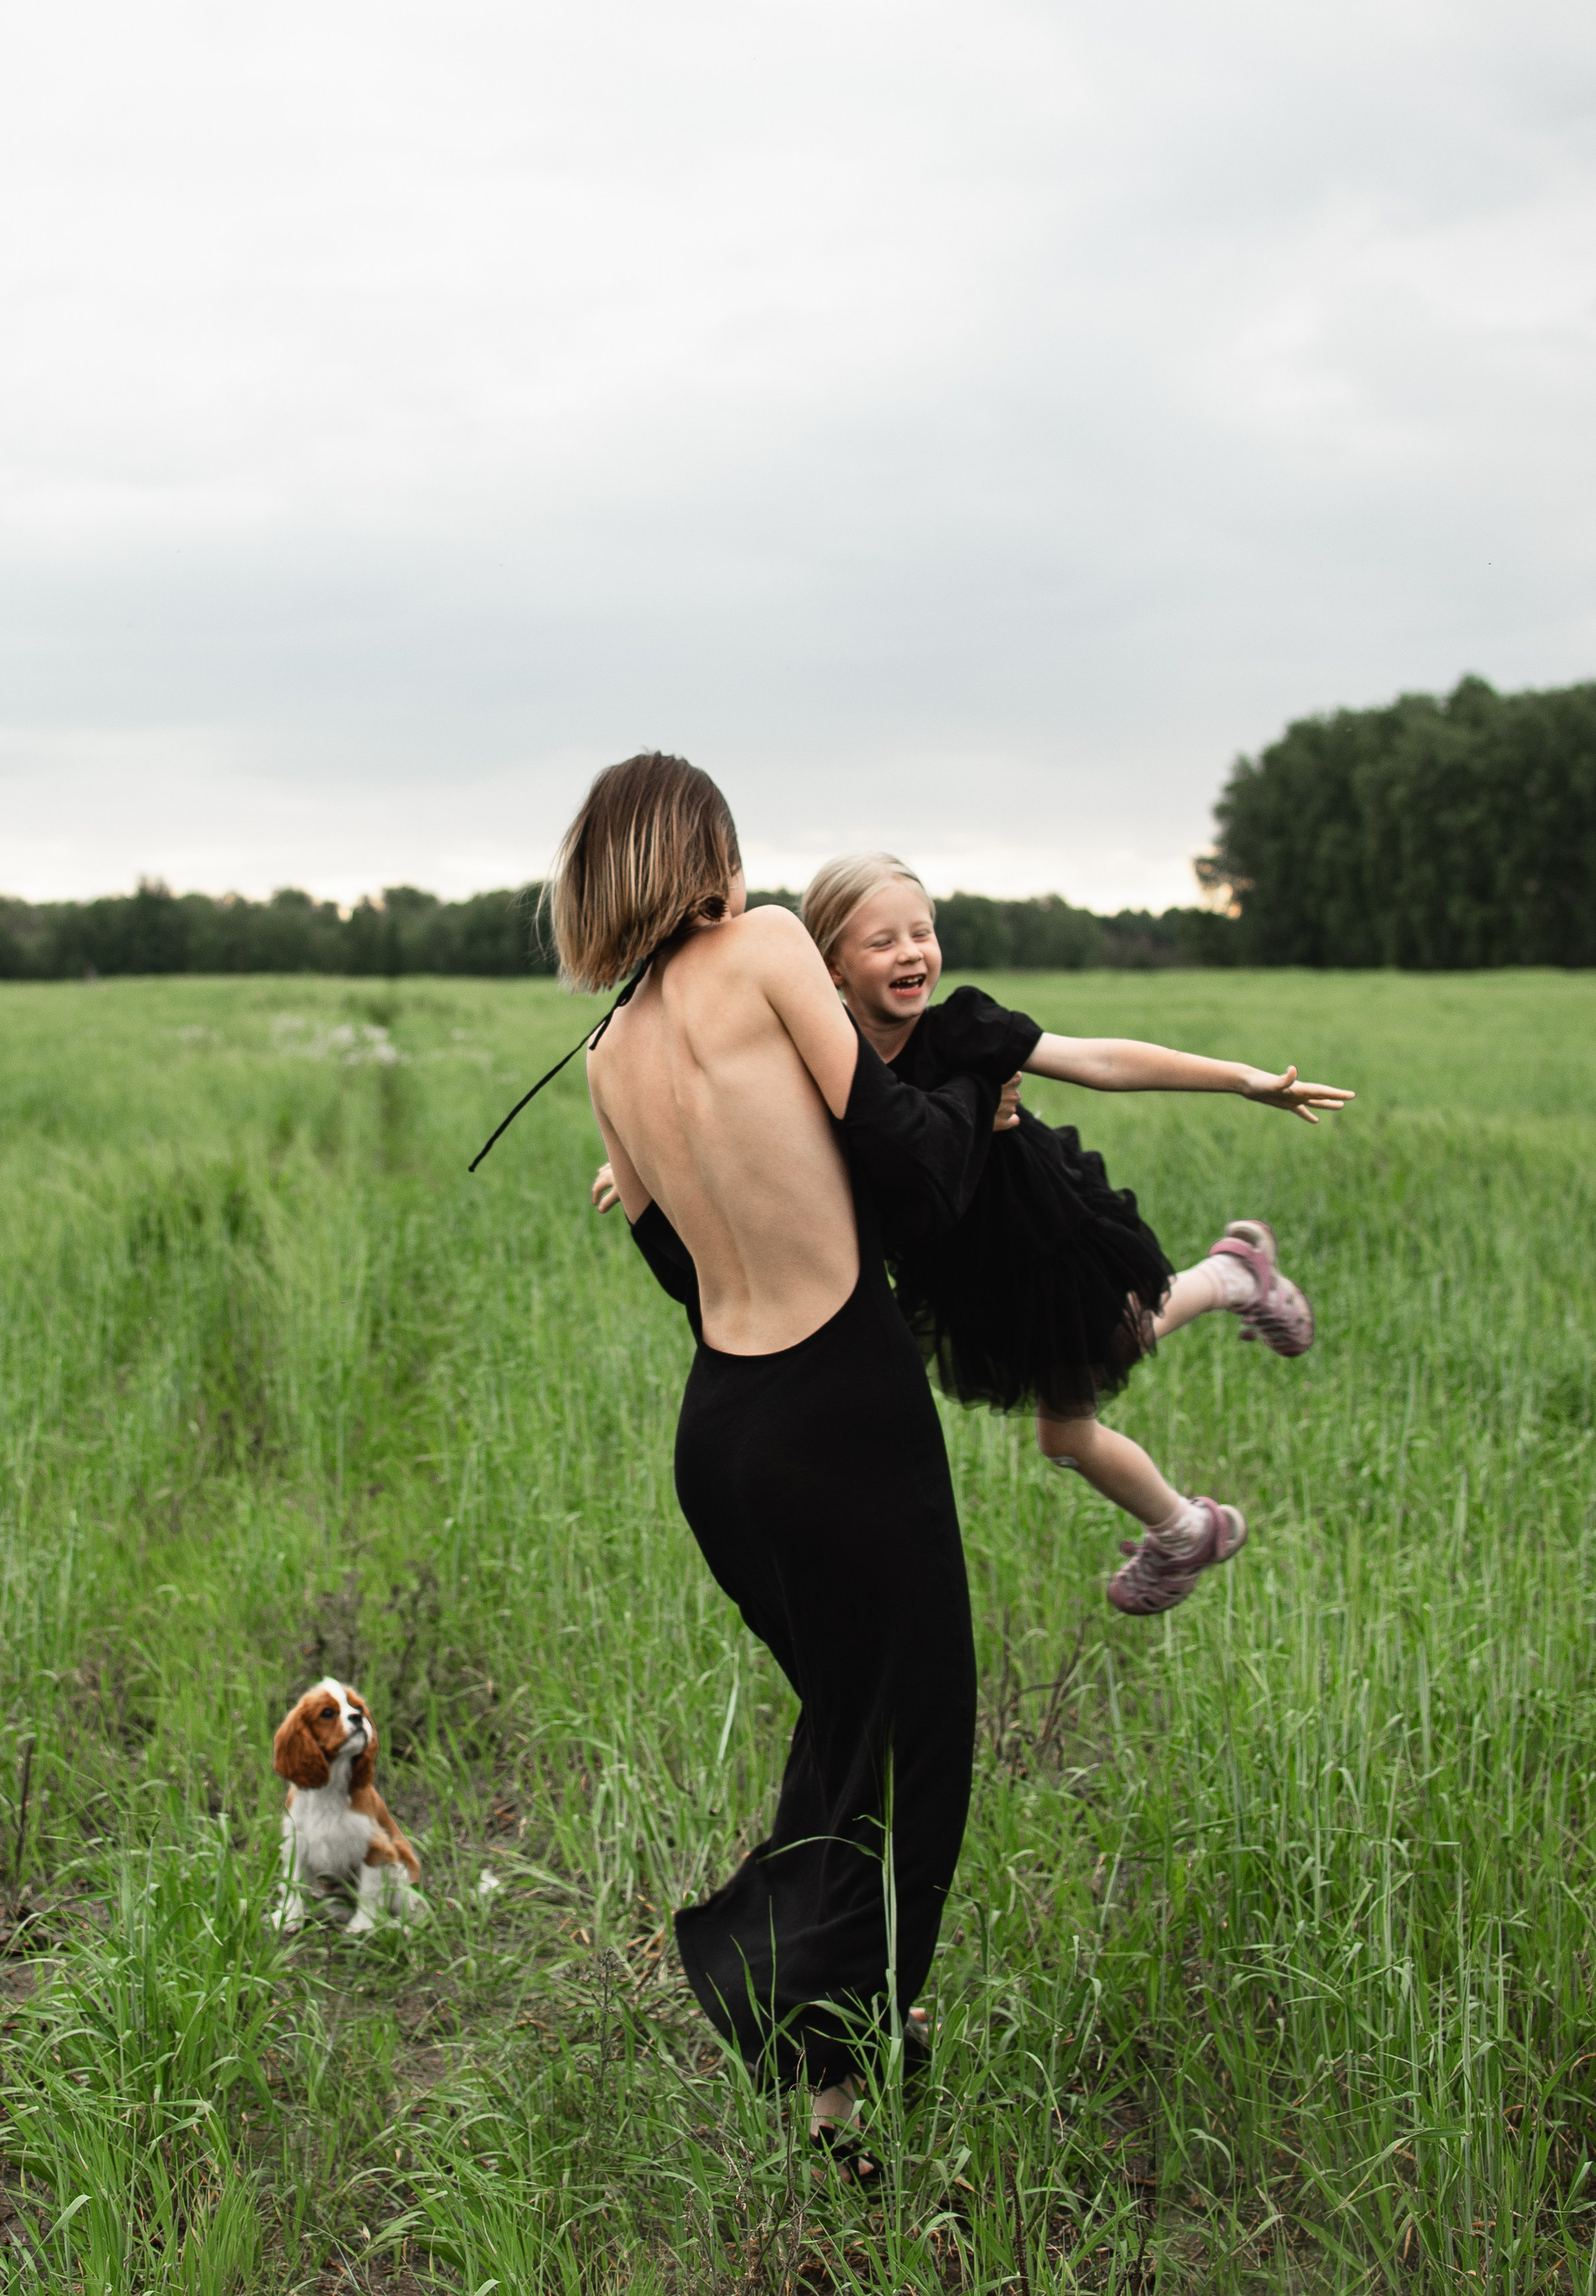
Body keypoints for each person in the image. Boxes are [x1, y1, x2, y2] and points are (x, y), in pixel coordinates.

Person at [557, 755, 986, 2155]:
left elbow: (680, 1273)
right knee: (915, 1743)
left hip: (725, 1435)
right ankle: (826, 2051)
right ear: (709, 852)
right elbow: (906, 1160)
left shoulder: (607, 1055)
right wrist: (985, 1064)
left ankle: (857, 2023)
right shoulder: (766, 947)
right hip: (840, 1402)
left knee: (847, 1729)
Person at [795, 854, 1353, 1615]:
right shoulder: (821, 1054)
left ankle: (1192, 1516)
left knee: (1086, 1389)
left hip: (1039, 1234)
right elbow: (749, 1122)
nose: (911, 953)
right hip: (958, 1266)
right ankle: (1230, 1299)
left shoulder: (963, 1027)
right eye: (882, 942)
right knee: (1071, 1425)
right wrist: (638, 1171)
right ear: (830, 964)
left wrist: (1242, 1079)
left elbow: (1097, 1059)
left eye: (922, 932)